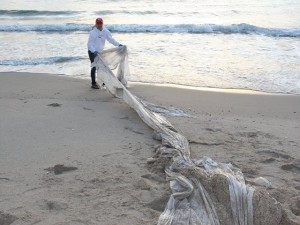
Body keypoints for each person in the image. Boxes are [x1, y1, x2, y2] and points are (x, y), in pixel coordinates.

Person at [87, 18, 123, 89]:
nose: (99, 25)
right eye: (98, 24)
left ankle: (103, 82)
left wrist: (118, 45)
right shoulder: (93, 33)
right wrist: (94, 51)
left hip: (100, 52)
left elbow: (111, 40)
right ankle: (93, 83)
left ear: (102, 23)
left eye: (101, 24)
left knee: (102, 67)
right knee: (94, 66)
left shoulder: (105, 31)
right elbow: (89, 44)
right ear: (96, 24)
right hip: (92, 52)